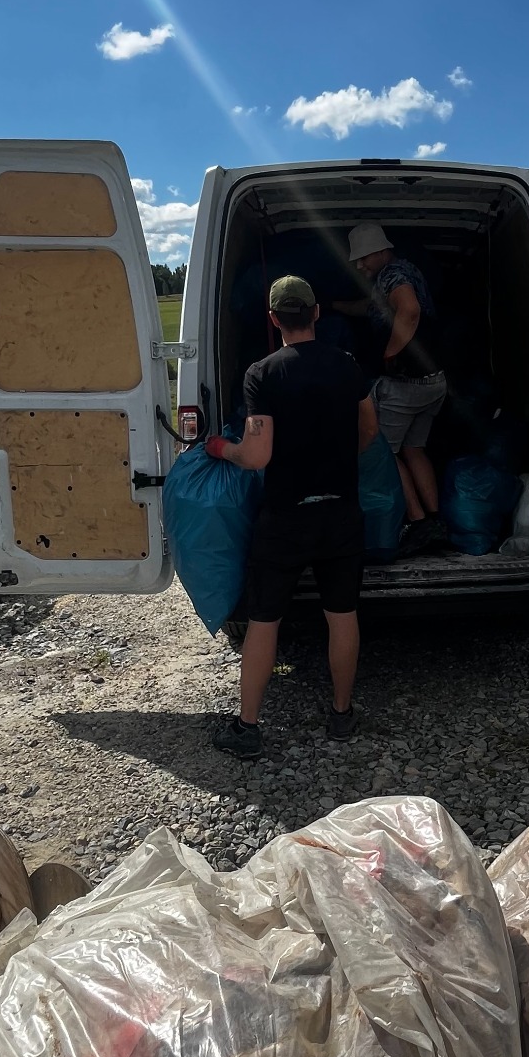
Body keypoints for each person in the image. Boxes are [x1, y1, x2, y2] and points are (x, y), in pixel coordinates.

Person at [206, 275, 378, 760]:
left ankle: (248, 728)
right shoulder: (347, 366)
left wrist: (221, 449)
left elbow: (256, 456)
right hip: (341, 512)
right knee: (342, 615)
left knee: (264, 620)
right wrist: (342, 458)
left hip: (285, 517)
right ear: (316, 313)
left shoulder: (262, 374)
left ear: (273, 319)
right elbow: (370, 427)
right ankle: (341, 714)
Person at [339, 222, 448, 551]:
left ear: (381, 251)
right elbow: (370, 307)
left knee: (385, 451)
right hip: (434, 381)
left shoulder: (392, 274)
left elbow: (409, 310)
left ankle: (417, 522)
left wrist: (390, 352)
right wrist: (333, 306)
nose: (360, 265)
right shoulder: (402, 272)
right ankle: (436, 520)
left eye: (363, 258)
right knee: (414, 449)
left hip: (406, 384)